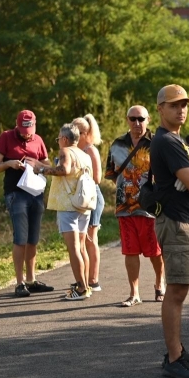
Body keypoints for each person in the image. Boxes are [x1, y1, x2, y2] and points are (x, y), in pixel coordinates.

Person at [150, 84, 189, 378]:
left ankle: (177, 349)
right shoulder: (167, 142)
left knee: (180, 289)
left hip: (185, 221)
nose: (181, 109)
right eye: (174, 105)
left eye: (185, 104)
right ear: (160, 109)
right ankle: (173, 358)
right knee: (175, 290)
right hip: (176, 222)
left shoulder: (179, 141)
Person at [104, 105, 165, 307]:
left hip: (151, 208)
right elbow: (112, 174)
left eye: (141, 119)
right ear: (127, 120)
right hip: (125, 207)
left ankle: (159, 283)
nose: (137, 123)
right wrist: (128, 188)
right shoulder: (117, 144)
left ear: (148, 120)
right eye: (133, 119)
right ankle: (134, 293)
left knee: (154, 251)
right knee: (129, 251)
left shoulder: (158, 142)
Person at [0, 110, 55, 298]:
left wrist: (37, 164)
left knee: (32, 239)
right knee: (20, 238)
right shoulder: (6, 137)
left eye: (30, 128)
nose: (27, 132)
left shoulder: (38, 139)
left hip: (35, 193)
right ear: (17, 124)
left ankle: (31, 280)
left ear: (34, 125)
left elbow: (47, 163)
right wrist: (10, 163)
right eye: (23, 128)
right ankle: (19, 283)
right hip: (16, 194)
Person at [31, 123, 93, 300]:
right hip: (83, 204)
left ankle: (81, 289)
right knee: (81, 248)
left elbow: (64, 170)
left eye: (59, 138)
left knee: (73, 249)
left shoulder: (66, 151)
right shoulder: (84, 154)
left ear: (65, 139)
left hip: (68, 205)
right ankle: (86, 284)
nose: (58, 142)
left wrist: (42, 169)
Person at [75, 114, 105, 291]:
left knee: (90, 239)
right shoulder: (76, 150)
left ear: (86, 133)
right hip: (81, 198)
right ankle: (84, 277)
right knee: (81, 239)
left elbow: (97, 178)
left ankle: (93, 279)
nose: (75, 136)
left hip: (92, 197)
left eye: (79, 132)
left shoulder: (90, 150)